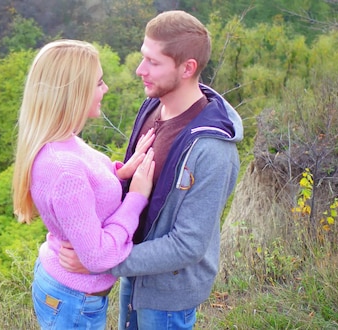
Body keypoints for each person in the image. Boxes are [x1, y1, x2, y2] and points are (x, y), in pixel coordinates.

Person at [58, 11, 244, 329]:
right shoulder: (152, 107)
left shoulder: (213, 151)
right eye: (144, 57)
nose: (139, 70)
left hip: (168, 297)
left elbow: (188, 244)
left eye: (153, 63)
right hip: (135, 274)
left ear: (188, 68)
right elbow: (136, 192)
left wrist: (103, 262)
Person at [11, 39, 156, 330]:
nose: (105, 89)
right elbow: (97, 256)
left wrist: (120, 173)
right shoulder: (63, 170)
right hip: (73, 301)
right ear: (74, 92)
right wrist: (136, 198)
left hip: (67, 291)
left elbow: (88, 190)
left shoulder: (63, 141)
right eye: (99, 82)